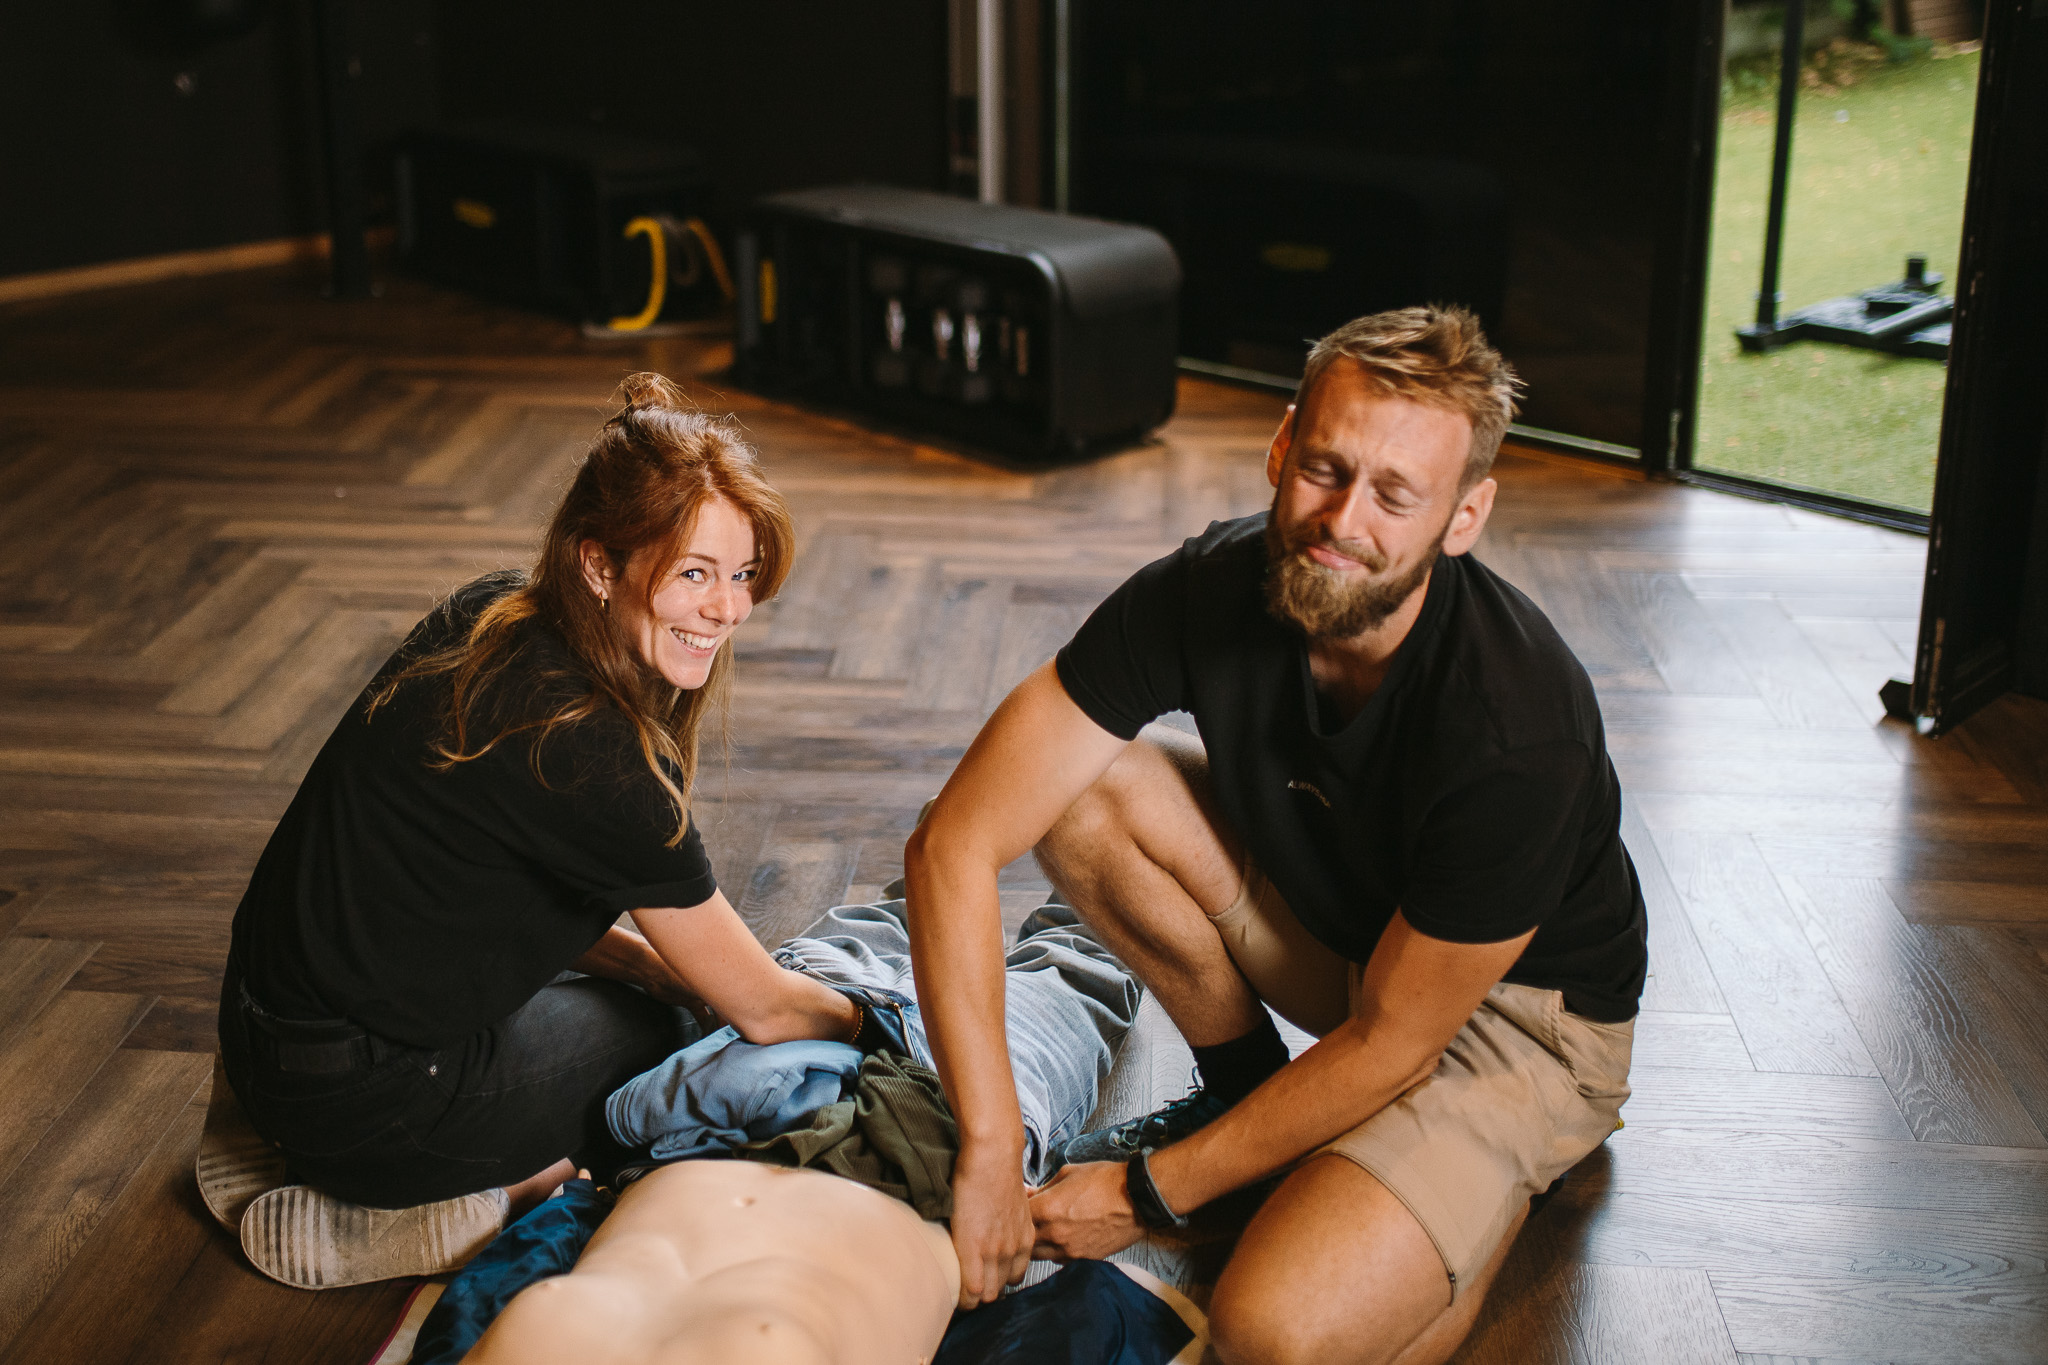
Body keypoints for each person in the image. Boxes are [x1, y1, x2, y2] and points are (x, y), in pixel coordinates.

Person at [902, 305, 1648, 1362]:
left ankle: (1481, 1190)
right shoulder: (1210, 586)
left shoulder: (1517, 722)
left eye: (1394, 495)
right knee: (1076, 788)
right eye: (1325, 469)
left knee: (1268, 1330)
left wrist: (1144, 1193)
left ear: (1464, 515)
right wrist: (987, 1141)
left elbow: (1395, 1041)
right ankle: (1250, 1105)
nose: (1343, 519)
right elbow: (953, 841)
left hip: (1513, 1021)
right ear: (1281, 447)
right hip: (1350, 938)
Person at [216, 374, 875, 1289]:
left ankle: (296, 1136)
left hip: (260, 1031)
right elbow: (766, 1007)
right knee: (680, 1032)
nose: (728, 608)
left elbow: (493, 896)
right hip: (362, 1102)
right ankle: (472, 1200)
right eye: (694, 572)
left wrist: (656, 962)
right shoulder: (595, 756)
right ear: (599, 564)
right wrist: (878, 1023)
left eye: (742, 573)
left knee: (665, 979)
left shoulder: (489, 611)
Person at [459, 891, 1144, 1365]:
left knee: (908, 901)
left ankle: (975, 816)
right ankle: (1017, 802)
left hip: (738, 1087)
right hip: (944, 1139)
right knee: (1095, 931)